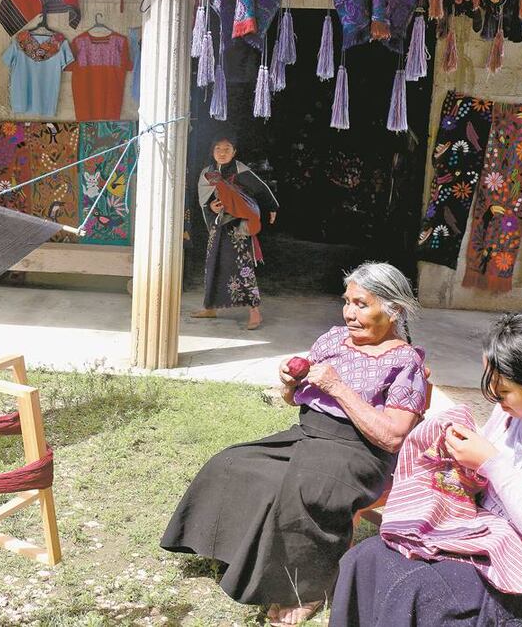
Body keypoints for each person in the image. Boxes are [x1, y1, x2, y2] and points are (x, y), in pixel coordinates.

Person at [162, 262, 427, 625]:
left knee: (305, 488)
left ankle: (305, 588)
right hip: (307, 434)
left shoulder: (404, 361)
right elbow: (294, 398)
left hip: (360, 452)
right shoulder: (334, 339)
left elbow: (393, 437)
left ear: (392, 309)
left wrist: (337, 387)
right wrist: (289, 381)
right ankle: (236, 553)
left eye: (361, 304)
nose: (349, 313)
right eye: (346, 302)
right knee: (232, 463)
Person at [331, 310, 522, 627]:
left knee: (413, 588)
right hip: (489, 542)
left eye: (504, 391)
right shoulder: (516, 413)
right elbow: (486, 479)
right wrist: (455, 463)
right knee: (368, 558)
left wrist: (492, 464)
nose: (495, 401)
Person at [191, 135, 279, 331]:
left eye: (227, 149)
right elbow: (204, 201)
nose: (222, 153)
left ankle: (255, 311)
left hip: (239, 227)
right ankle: (210, 307)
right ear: (212, 152)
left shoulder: (240, 170)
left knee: (243, 268)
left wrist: (272, 207)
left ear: (234, 152)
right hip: (218, 227)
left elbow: (262, 190)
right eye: (218, 149)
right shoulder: (208, 173)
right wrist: (211, 206)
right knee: (213, 265)